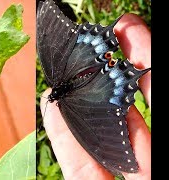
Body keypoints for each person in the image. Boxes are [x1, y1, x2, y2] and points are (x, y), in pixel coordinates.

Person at [40, 13, 151, 180]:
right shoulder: (62, 95)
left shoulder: (69, 113)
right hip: (90, 58)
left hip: (101, 82)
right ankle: (114, 71)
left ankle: (116, 74)